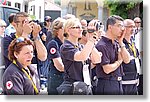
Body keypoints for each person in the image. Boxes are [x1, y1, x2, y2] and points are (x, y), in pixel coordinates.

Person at [58, 18, 102, 95]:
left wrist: (91, 39)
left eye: (81, 27)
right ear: (68, 30)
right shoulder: (66, 47)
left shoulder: (81, 46)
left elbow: (97, 60)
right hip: (73, 87)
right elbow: (82, 56)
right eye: (77, 27)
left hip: (85, 86)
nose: (81, 30)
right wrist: (91, 40)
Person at [95, 15, 130, 95]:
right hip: (107, 84)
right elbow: (107, 69)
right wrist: (119, 61)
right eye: (119, 26)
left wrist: (121, 42)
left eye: (122, 26)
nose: (122, 29)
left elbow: (127, 60)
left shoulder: (116, 43)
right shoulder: (102, 45)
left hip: (118, 83)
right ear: (110, 27)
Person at [47, 17, 65, 95]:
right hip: (57, 78)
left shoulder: (67, 43)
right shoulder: (53, 44)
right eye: (64, 27)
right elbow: (59, 66)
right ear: (57, 30)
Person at [122, 19, 139, 95]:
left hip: (134, 80)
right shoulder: (120, 43)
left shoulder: (132, 41)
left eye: (134, 27)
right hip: (125, 81)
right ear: (124, 28)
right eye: (130, 27)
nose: (133, 29)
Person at [133, 17, 143, 95]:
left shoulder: (142, 32)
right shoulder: (131, 31)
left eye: (139, 22)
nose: (137, 24)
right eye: (136, 22)